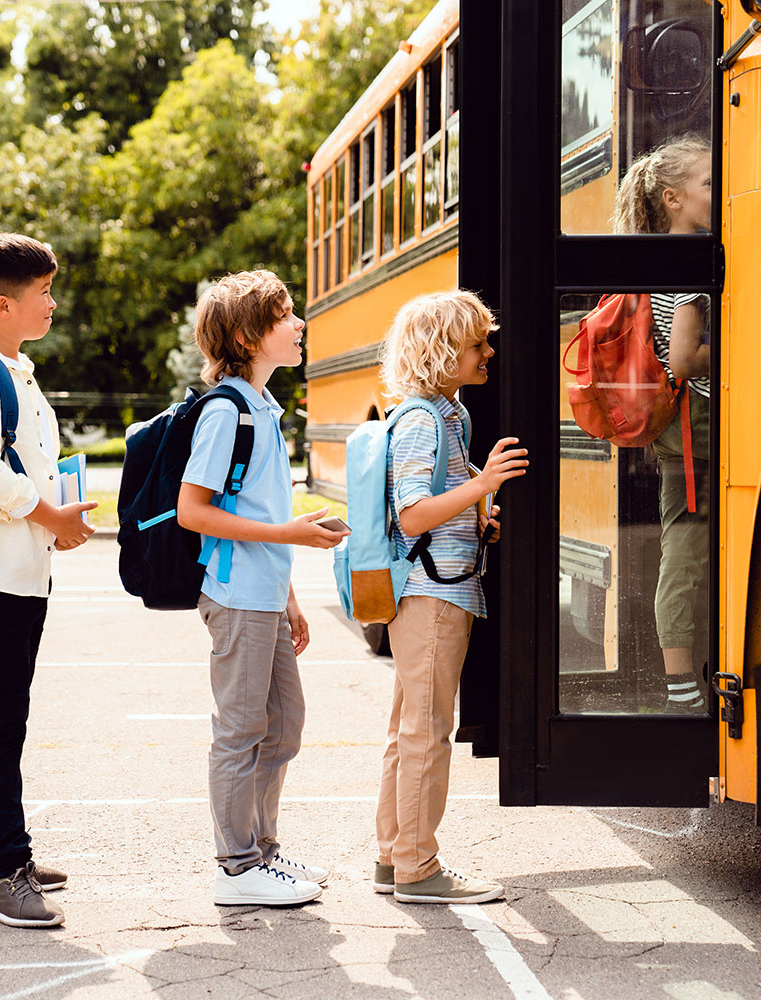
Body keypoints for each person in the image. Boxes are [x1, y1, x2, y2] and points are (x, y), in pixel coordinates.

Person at [0, 232, 98, 928]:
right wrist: (50, 513)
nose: (53, 303)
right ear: (3, 305)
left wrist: (53, 518)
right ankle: (5, 870)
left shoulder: (13, 370)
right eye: (42, 294)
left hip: (12, 575)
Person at [175, 270, 350, 907]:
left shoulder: (260, 407)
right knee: (243, 728)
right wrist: (289, 534)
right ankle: (236, 866)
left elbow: (256, 509)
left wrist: (291, 594)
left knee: (283, 728)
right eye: (285, 316)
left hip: (266, 596)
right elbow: (193, 510)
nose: (299, 324)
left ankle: (261, 855)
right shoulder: (227, 411)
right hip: (237, 597)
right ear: (250, 336)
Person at [372, 291, 528, 904]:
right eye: (477, 344)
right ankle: (418, 867)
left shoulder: (448, 416)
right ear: (441, 352)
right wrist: (484, 485)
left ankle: (393, 858)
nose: (489, 352)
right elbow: (412, 516)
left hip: (437, 589)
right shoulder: (420, 421)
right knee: (427, 733)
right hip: (431, 596)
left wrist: (479, 512)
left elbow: (438, 508)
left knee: (409, 729)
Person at [612, 134, 714, 713]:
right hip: (696, 422)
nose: (716, 192)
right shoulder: (689, 263)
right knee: (686, 546)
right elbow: (682, 358)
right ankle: (681, 683)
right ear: (673, 199)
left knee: (686, 542)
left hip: (680, 427)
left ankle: (684, 673)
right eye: (707, 184)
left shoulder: (665, 255)